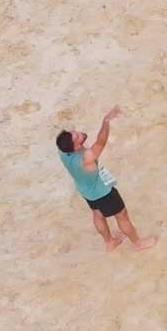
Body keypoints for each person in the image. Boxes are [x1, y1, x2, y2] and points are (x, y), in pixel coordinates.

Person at [55, 106, 156, 251]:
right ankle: (138, 243)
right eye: (77, 137)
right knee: (122, 215)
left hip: (86, 191)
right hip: (103, 193)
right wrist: (106, 120)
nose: (78, 133)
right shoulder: (87, 158)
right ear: (76, 147)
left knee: (98, 213)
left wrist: (73, 136)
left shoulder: (63, 152)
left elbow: (67, 139)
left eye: (74, 132)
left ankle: (109, 242)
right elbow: (101, 142)